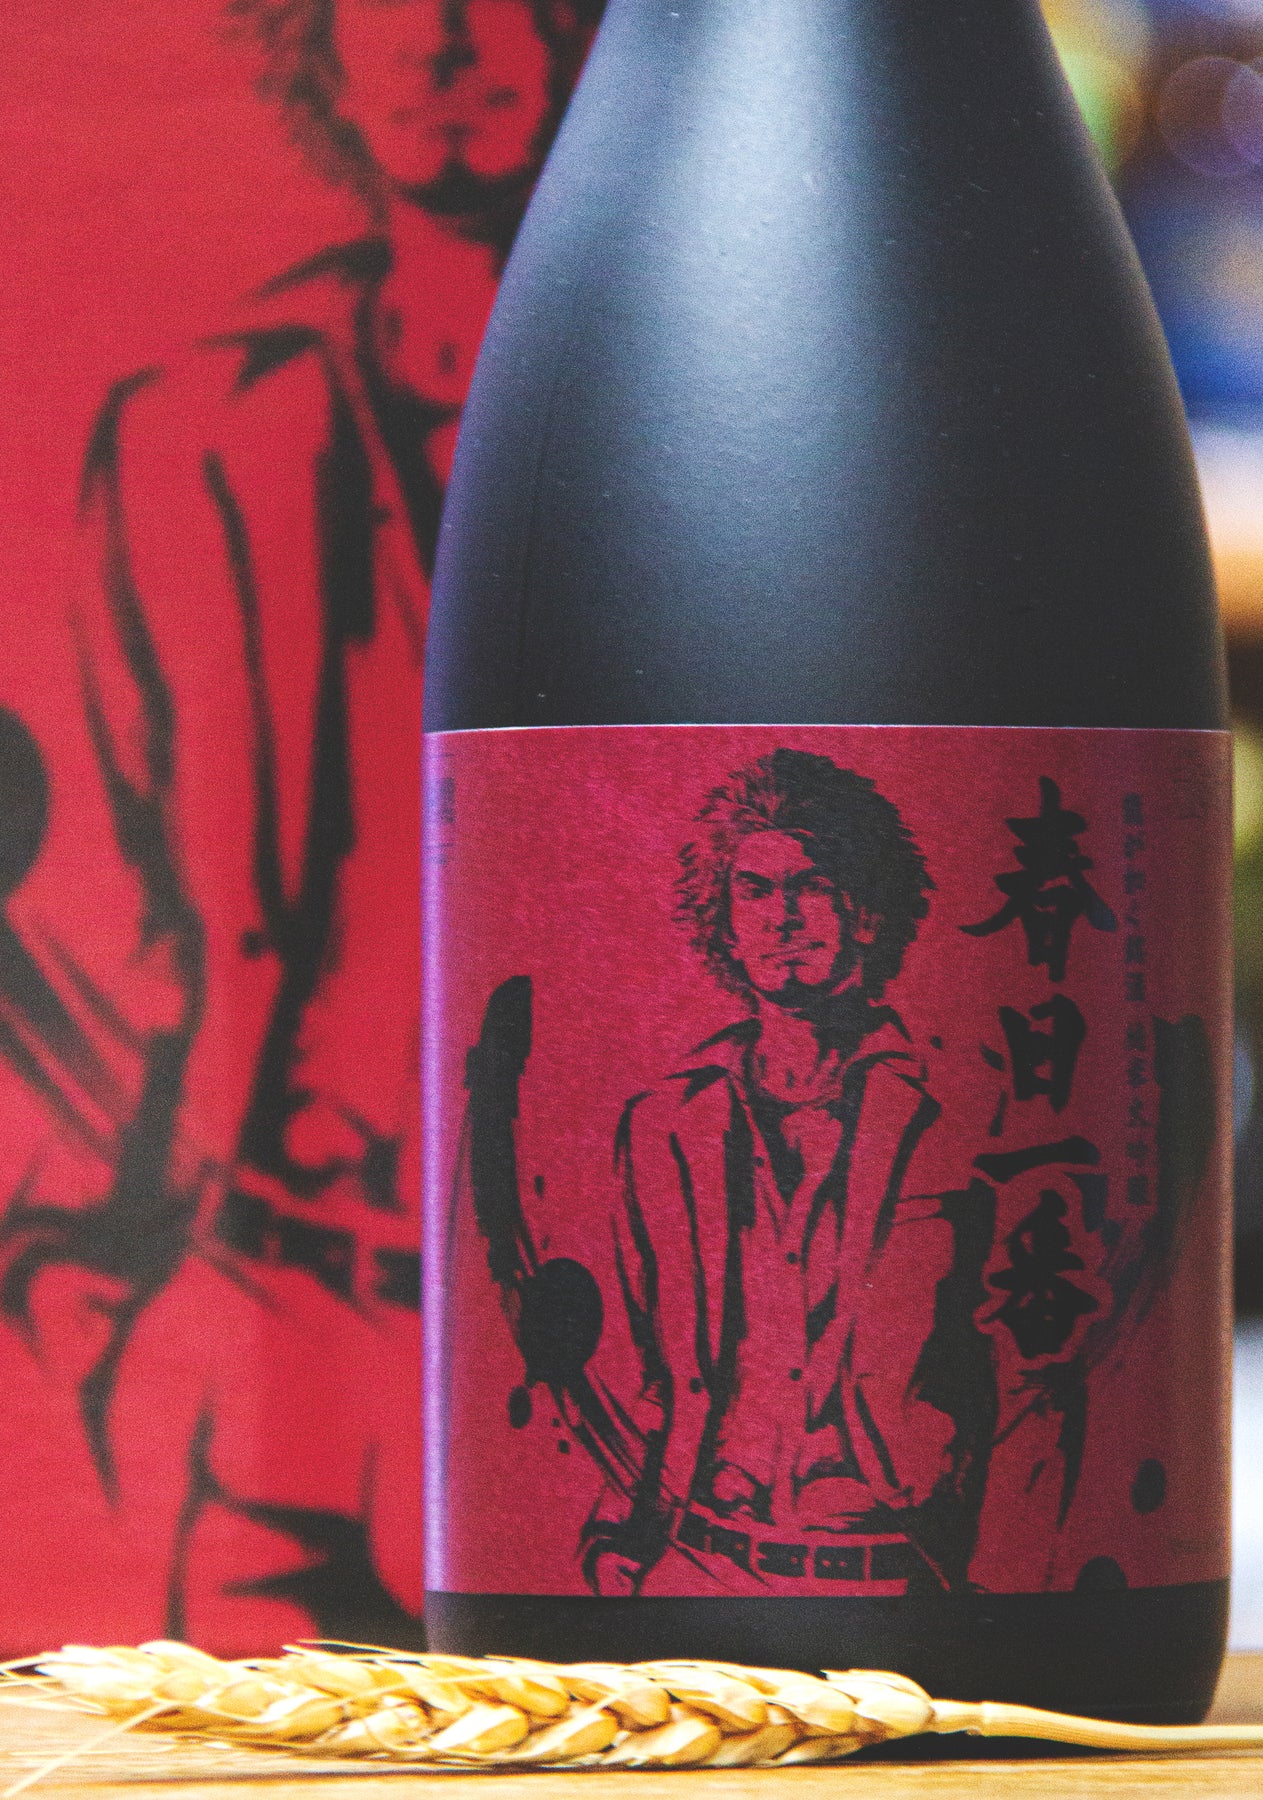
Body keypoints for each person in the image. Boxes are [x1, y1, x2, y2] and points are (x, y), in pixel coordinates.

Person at [0, 0, 596, 1651]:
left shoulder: (717, 427)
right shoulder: (196, 430)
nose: (447, 44)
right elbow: (137, 898)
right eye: (391, 10)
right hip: (276, 1284)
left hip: (592, 1335)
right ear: (315, 52)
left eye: (496, 3)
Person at [582, 749, 998, 1599]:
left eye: (811, 887)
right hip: (696, 1562)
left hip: (898, 1574)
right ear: (726, 922)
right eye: (755, 891)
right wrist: (618, 1529)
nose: (782, 918)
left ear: (866, 913)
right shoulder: (665, 1125)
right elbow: (652, 1364)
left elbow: (1022, 1367)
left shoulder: (952, 1117)